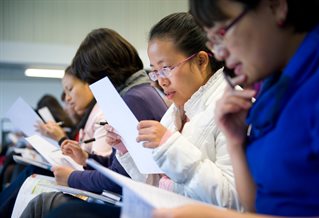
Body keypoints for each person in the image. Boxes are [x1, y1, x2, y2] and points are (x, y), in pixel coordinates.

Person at [152, 0, 319, 217]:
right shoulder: (272, 88)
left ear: (276, 7)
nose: (220, 54)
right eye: (213, 41)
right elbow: (255, 206)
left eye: (223, 32)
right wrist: (235, 142)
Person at [20, 28, 167, 218]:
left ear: (102, 72)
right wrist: (87, 159)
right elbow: (123, 166)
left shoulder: (132, 99)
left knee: (53, 206)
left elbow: (121, 179)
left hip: (142, 205)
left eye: (91, 79)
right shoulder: (139, 92)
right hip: (139, 198)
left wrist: (72, 178)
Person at [107, 12, 240, 208]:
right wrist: (127, 151)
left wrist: (169, 145)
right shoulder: (175, 111)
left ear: (201, 61)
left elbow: (231, 201)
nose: (161, 80)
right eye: (155, 71)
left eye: (166, 68)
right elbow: (159, 184)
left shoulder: (232, 107)